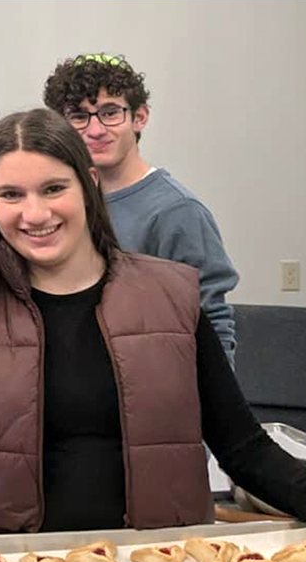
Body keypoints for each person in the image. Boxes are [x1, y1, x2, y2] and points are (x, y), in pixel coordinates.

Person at [0, 109, 306, 562]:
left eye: (53, 189)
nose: (35, 214)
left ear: (88, 184)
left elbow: (244, 448)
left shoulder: (169, 297)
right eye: (11, 194)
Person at [43, 52, 239, 365]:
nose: (95, 130)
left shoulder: (177, 211)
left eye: (110, 113)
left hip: (150, 382)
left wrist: (218, 409)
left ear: (140, 117)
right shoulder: (61, 203)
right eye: (79, 116)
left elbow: (211, 320)